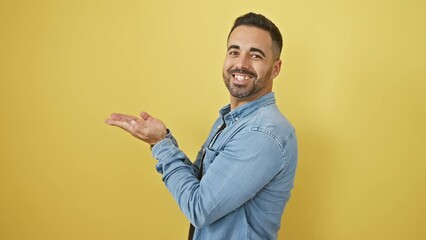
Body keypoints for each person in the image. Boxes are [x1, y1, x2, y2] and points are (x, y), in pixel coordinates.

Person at [105, 12, 298, 240]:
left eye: (255, 55)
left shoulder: (263, 133)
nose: (241, 64)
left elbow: (199, 208)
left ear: (275, 68)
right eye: (234, 52)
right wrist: (163, 139)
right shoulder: (231, 119)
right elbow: (200, 185)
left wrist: (160, 145)